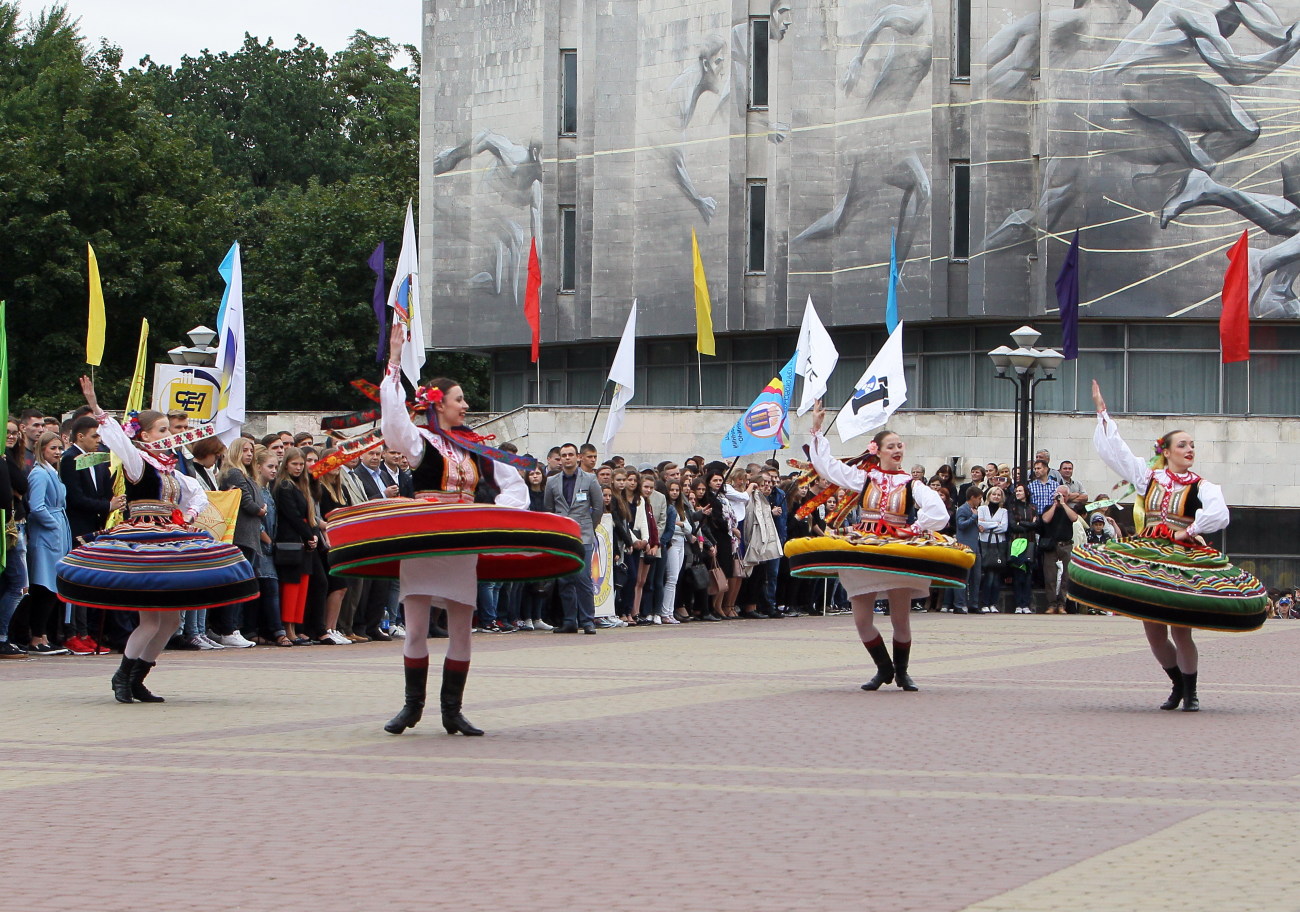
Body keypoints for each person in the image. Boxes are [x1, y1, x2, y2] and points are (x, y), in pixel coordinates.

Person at [326, 324, 583, 736]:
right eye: (460, 399)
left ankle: (452, 711)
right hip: (423, 538)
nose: (466, 406)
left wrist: (499, 525)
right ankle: (412, 707)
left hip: (461, 539)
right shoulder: (420, 440)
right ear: (438, 404)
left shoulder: (472, 445)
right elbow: (392, 422)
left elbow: (514, 483)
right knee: (415, 625)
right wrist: (393, 361)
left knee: (462, 626)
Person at [1068, 380, 1268, 711]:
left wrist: (1191, 529)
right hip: (1147, 553)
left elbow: (1219, 514)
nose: (1189, 450)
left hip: (1180, 557)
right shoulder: (1149, 477)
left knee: (1182, 632)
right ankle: (1176, 685)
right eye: (1182, 445)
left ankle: (1190, 692)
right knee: (1154, 634)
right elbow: (1117, 452)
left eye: (1192, 445)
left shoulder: (1202, 485)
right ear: (1167, 451)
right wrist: (1102, 412)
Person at [57, 377, 257, 701]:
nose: (169, 435)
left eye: (170, 429)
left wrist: (189, 517)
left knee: (171, 620)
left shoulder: (170, 469)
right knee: (150, 620)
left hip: (168, 535)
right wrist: (95, 406)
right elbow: (120, 441)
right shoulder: (138, 462)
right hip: (142, 539)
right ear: (145, 435)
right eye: (163, 430)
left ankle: (138, 677)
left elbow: (197, 496)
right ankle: (122, 677)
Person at [785, 401, 975, 691]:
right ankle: (883, 668)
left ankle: (902, 672)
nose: (898, 450)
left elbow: (938, 511)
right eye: (891, 446)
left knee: (900, 618)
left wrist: (913, 529)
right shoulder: (864, 478)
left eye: (900, 445)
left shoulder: (912, 484)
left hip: (896, 550)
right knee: (862, 619)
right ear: (877, 449)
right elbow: (828, 467)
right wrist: (818, 429)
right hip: (866, 545)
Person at [543, 442, 603, 634]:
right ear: (560, 459)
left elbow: (598, 507)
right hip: (562, 535)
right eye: (563, 455)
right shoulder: (552, 482)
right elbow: (549, 509)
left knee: (583, 578)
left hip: (583, 535)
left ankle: (587, 620)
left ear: (577, 457)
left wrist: (589, 526)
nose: (567, 458)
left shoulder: (590, 479)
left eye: (570, 454)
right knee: (565, 579)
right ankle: (569, 620)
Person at [26, 432, 73, 654]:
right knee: (44, 586)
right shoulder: (40, 474)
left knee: (52, 587)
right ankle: (36, 637)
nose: (57, 452)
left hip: (57, 531)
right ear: (42, 449)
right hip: (46, 536)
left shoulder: (52, 472)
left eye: (59, 448)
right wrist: (53, 525)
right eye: (52, 448)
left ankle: (43, 635)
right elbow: (36, 507)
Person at [1006, 482, 1039, 613]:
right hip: (1017, 543)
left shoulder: (1033, 507)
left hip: (1030, 542)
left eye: (1020, 491)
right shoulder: (1012, 508)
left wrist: (1023, 523)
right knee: (1018, 573)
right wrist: (1029, 524)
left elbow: (1037, 524)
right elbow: (1013, 526)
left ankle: (1026, 604)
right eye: (1016, 491)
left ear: (1026, 492)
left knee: (1028, 574)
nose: (1017, 493)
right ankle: (1018, 604)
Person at [977, 485, 1008, 613]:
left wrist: (988, 525)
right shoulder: (982, 508)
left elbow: (1004, 527)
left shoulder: (1004, 511)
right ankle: (985, 602)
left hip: (999, 544)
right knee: (988, 575)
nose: (996, 496)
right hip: (984, 542)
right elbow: (980, 524)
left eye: (999, 494)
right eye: (994, 494)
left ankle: (993, 603)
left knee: (996, 576)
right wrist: (996, 524)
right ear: (989, 495)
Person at [953, 488, 983, 615]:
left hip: (975, 546)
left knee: (976, 577)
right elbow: (961, 525)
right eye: (979, 498)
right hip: (965, 547)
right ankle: (959, 604)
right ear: (972, 497)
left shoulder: (973, 510)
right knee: (963, 577)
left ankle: (973, 604)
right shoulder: (963, 509)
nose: (980, 501)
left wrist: (977, 525)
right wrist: (973, 517)